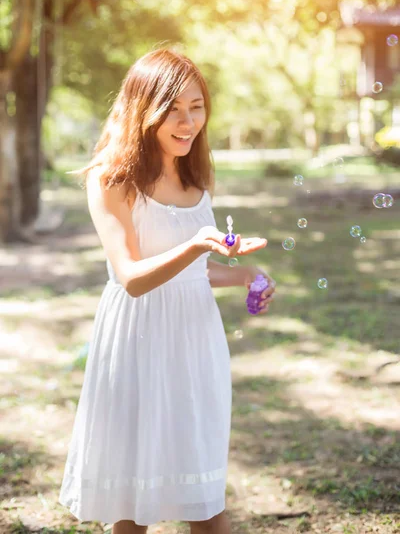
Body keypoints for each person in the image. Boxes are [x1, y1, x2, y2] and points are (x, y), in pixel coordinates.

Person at [58, 48, 276, 534]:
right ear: (143, 108)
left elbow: (189, 276)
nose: (187, 121)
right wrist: (199, 243)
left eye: (196, 106)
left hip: (195, 342)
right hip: (136, 341)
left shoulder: (198, 177)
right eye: (173, 108)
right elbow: (132, 277)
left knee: (204, 496)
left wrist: (244, 275)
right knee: (134, 502)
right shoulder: (111, 179)